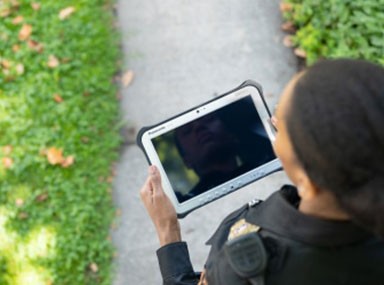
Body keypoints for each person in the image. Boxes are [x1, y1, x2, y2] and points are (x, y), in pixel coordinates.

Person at [140, 59, 384, 285]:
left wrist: (167, 231)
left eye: (283, 124)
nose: (272, 122)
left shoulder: (247, 267)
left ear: (309, 180)